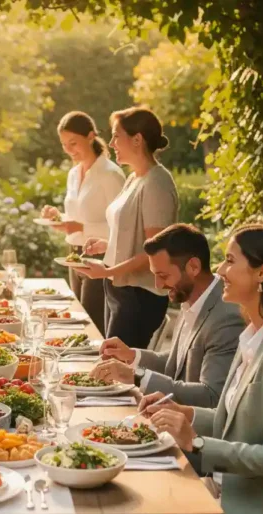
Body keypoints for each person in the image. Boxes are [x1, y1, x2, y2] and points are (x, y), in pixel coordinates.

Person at [86, 224, 263, 514]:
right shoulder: (256, 336)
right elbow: (234, 422)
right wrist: (185, 413)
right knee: (120, 513)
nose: (222, 270)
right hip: (230, 494)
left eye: (230, 260)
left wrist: (194, 441)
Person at [90, 224, 244, 407]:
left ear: (193, 267)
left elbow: (211, 396)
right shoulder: (191, 296)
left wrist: (137, 376)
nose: (158, 285)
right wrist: (132, 355)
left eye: (163, 275)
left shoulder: (226, 317)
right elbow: (176, 365)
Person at [76, 106, 178, 348]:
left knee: (116, 371)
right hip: (120, 289)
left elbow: (155, 252)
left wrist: (106, 271)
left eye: (115, 136)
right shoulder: (135, 178)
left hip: (139, 296)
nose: (110, 143)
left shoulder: (157, 183)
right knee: (109, 363)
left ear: (137, 139)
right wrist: (108, 246)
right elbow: (134, 239)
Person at [39, 111, 125, 332]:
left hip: (100, 257)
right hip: (74, 253)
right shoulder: (74, 174)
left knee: (91, 325)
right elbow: (77, 217)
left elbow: (122, 226)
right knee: (78, 319)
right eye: (64, 144)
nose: (69, 150)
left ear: (91, 136)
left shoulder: (110, 174)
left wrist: (80, 227)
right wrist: (58, 219)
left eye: (73, 143)